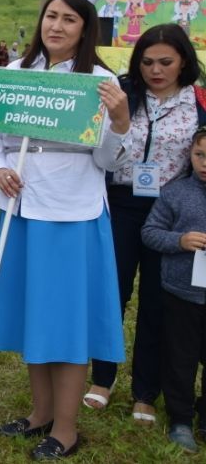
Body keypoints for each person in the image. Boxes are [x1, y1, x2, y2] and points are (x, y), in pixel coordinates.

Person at [0, 0, 130, 460]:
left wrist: (121, 121)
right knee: (34, 315)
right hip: (21, 210)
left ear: (85, 28)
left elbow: (108, 162)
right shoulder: (14, 73)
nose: (56, 26)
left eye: (68, 19)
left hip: (71, 216)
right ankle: (40, 413)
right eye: (50, 16)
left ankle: (66, 428)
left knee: (65, 324)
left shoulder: (102, 83)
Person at [84, 24, 206, 424]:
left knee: (158, 302)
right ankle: (102, 378)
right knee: (112, 292)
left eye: (166, 62)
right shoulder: (121, 92)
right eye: (147, 62)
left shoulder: (198, 102)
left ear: (184, 61)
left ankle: (146, 391)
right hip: (119, 203)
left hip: (171, 212)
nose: (156, 70)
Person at [142, 127, 206, 454]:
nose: (205, 163)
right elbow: (150, 233)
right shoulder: (175, 193)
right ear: (190, 155)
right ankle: (181, 419)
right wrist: (179, 241)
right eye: (200, 155)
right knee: (180, 359)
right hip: (181, 293)